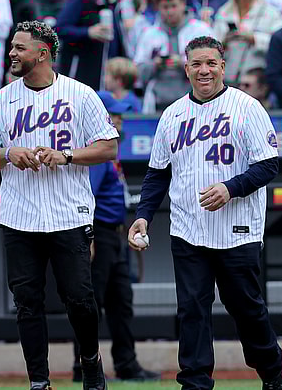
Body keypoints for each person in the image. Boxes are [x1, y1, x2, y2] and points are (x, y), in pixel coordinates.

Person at [127, 35, 282, 390]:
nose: (204, 70)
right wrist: (143, 215)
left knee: (246, 310)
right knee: (192, 311)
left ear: (222, 67)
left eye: (211, 63)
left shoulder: (247, 107)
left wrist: (230, 188)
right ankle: (195, 384)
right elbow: (158, 173)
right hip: (188, 230)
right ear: (186, 69)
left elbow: (268, 166)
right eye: (197, 64)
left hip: (237, 229)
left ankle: (272, 372)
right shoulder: (172, 114)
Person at [0, 20, 118, 390]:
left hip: (68, 212)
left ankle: (90, 362)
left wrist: (66, 155)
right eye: (12, 47)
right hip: (19, 215)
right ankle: (39, 380)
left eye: (20, 48)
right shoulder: (1, 99)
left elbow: (108, 147)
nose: (12, 53)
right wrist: (8, 153)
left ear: (43, 54)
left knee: (80, 300)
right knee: (26, 302)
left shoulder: (81, 94)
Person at [68, 91, 160, 383]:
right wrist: (89, 238)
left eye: (119, 114)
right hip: (98, 232)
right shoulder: (95, 152)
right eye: (112, 114)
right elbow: (87, 196)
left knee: (121, 302)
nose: (118, 119)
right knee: (89, 304)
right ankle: (83, 367)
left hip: (115, 235)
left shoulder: (110, 151)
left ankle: (127, 364)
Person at [133, 0, 214, 112]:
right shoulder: (149, 34)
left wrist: (185, 64)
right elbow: (136, 74)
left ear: (183, 3)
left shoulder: (201, 30)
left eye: (174, 6)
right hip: (158, 103)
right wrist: (155, 65)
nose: (170, 11)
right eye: (165, 7)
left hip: (197, 101)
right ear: (158, 7)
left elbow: (214, 65)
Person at [55, 0, 126, 92]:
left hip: (108, 75)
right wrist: (88, 32)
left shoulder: (113, 1)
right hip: (82, 74)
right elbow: (60, 28)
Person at [212, 0, 282, 84]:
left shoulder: (271, 12)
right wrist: (225, 41)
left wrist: (253, 38)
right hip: (229, 80)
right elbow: (212, 46)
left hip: (259, 81)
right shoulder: (224, 12)